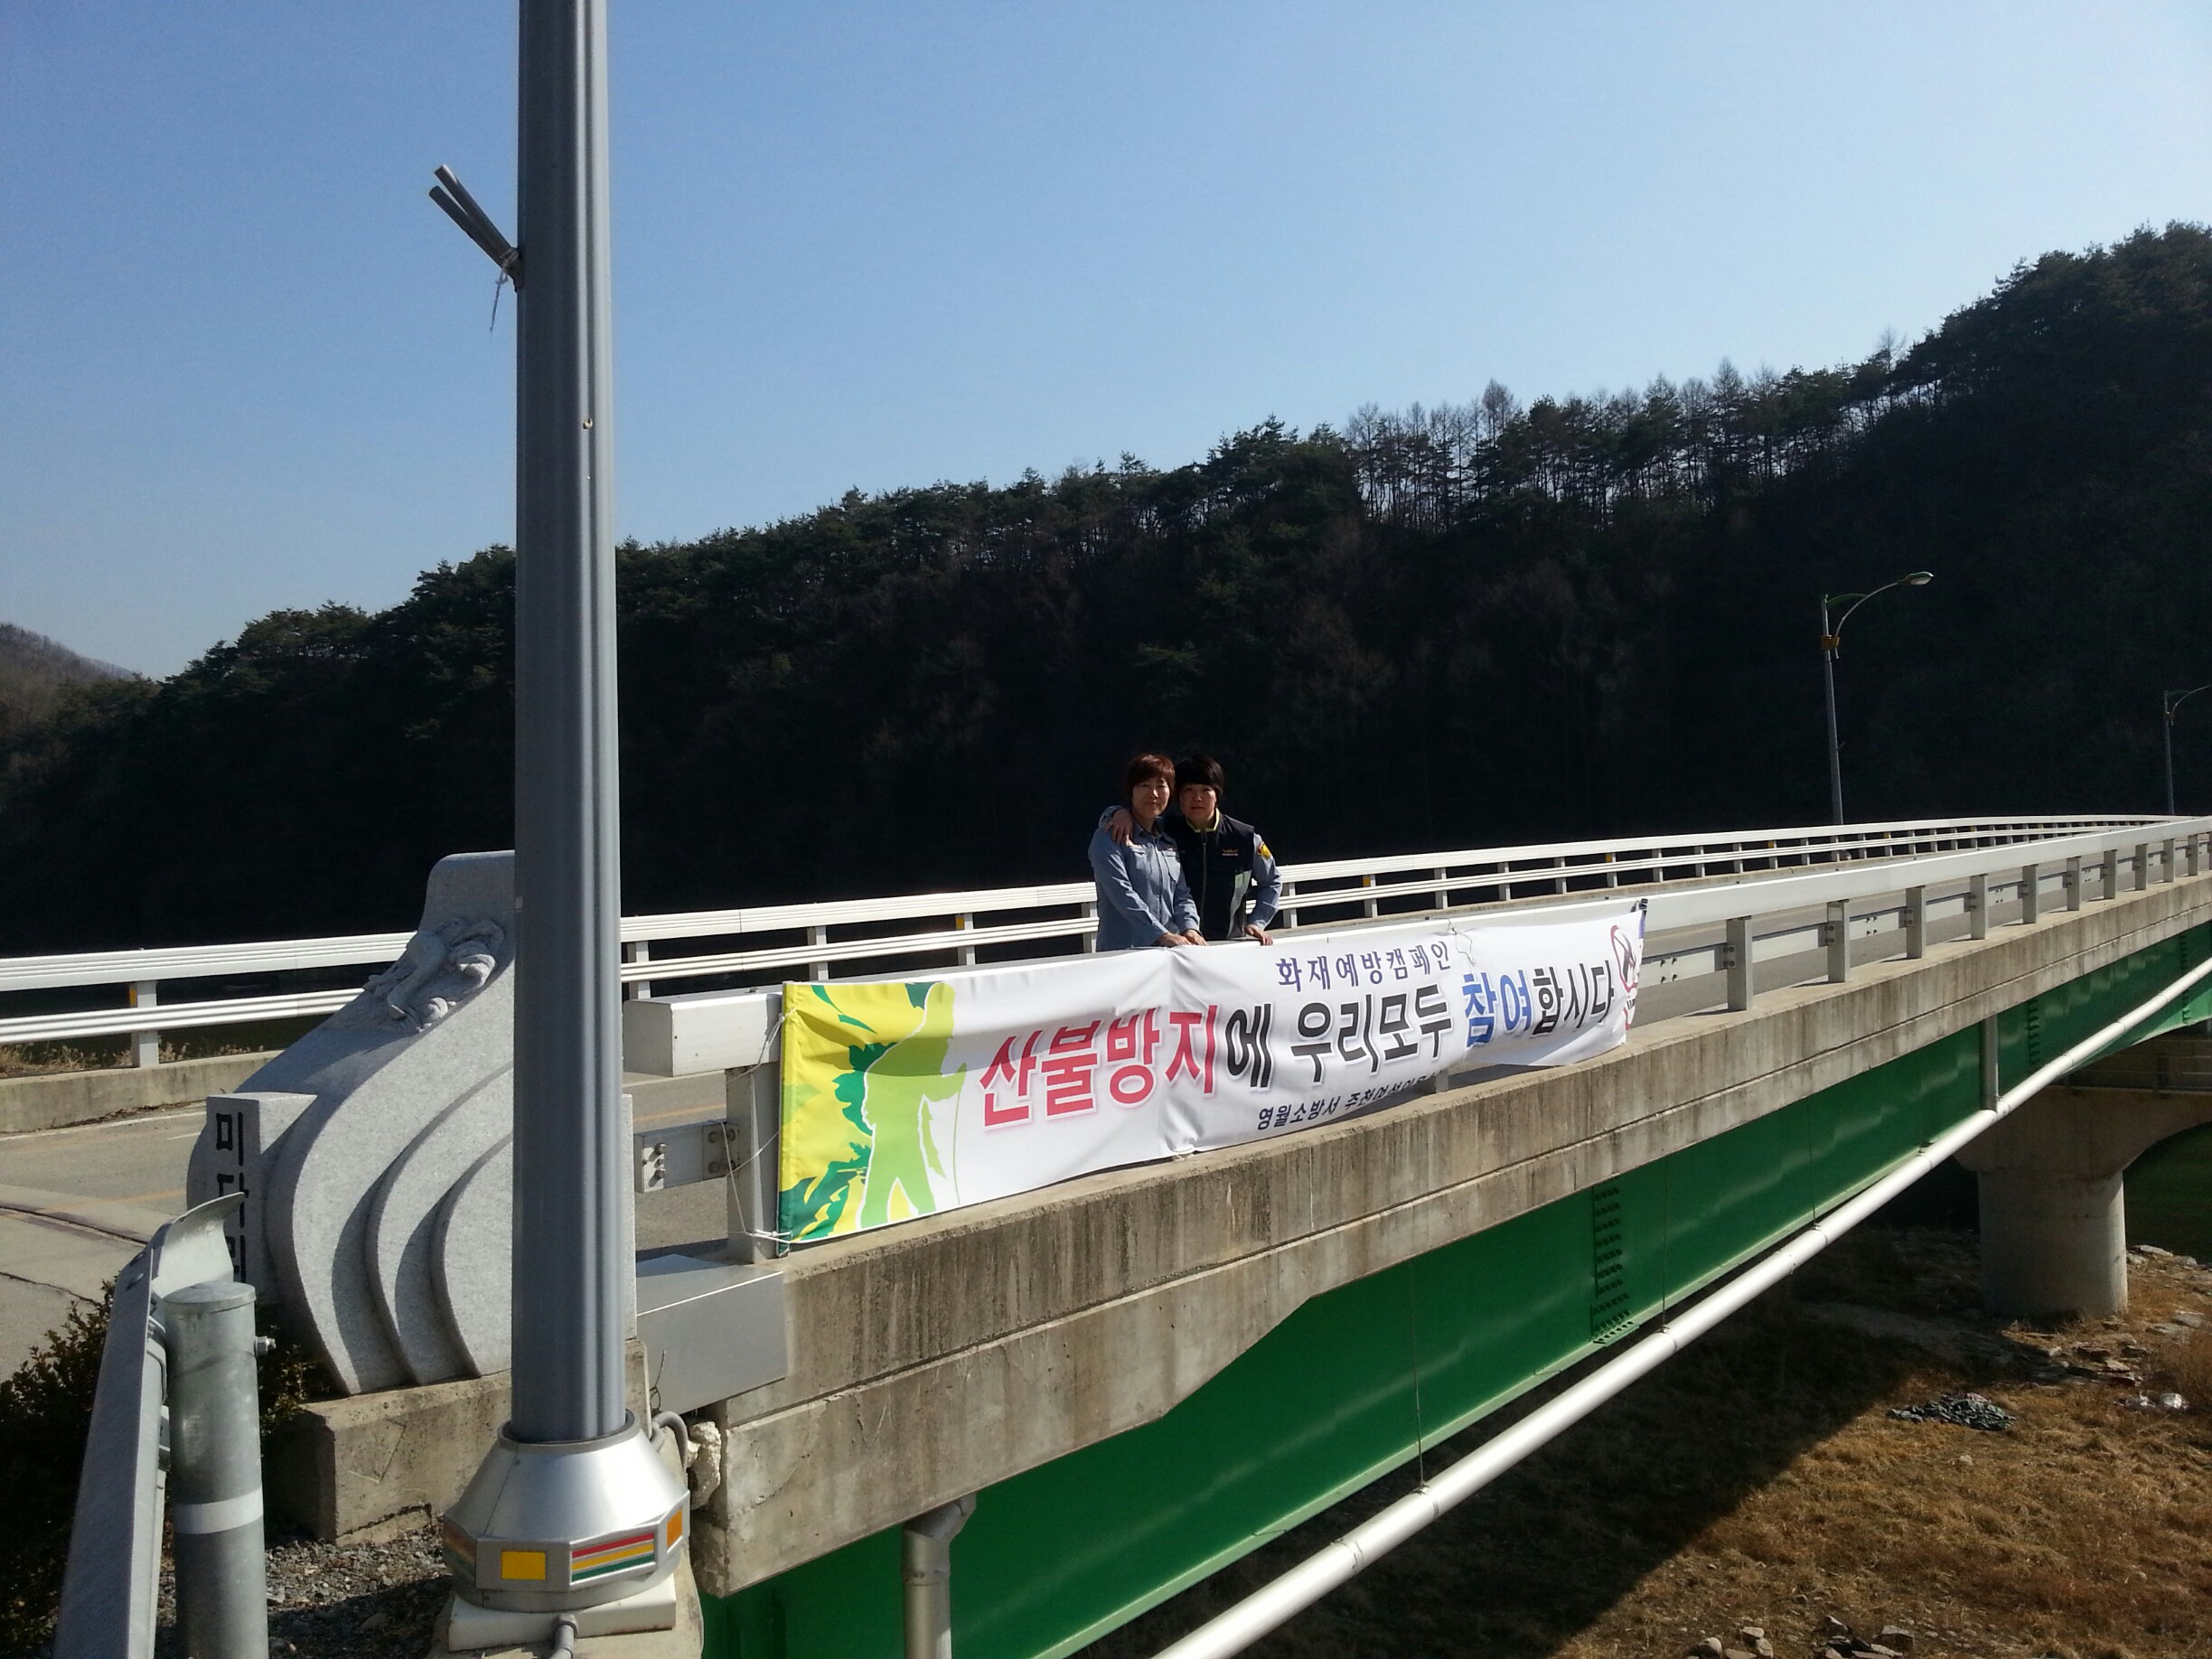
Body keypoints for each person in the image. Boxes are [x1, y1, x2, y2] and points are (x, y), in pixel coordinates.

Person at [1102, 752, 1280, 945]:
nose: (1197, 798)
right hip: (1182, 946)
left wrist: (1258, 921)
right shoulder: (1165, 831)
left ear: (1217, 795)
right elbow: (1135, 819)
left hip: (1229, 945)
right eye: (1189, 790)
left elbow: (1271, 881)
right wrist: (1117, 813)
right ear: (1177, 795)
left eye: (1205, 790)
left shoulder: (1244, 838)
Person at [1089, 753, 1205, 951]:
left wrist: (1190, 928)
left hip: (1169, 954)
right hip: (1124, 953)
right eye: (1144, 785)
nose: (1153, 794)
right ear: (1131, 791)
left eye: (1161, 786)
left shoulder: (1168, 840)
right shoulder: (1109, 838)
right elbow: (1122, 894)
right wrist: (1161, 935)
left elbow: (1181, 893)